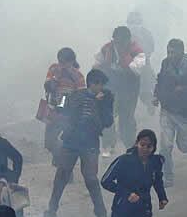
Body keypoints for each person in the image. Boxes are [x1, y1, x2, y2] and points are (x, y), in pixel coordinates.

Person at [44, 69, 113, 217]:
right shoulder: (76, 95)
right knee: (61, 175)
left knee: (90, 177)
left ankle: (100, 211)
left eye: (102, 84)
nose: (101, 87)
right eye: (99, 84)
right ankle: (51, 210)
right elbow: (61, 109)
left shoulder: (106, 98)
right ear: (92, 83)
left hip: (90, 142)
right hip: (71, 141)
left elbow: (108, 121)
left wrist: (100, 103)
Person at [153, 39, 187, 187]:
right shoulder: (165, 63)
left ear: (181, 52)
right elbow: (160, 80)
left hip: (185, 114)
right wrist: (156, 95)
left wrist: (184, 89)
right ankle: (168, 177)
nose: (170, 55)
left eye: (173, 52)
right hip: (167, 110)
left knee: (184, 146)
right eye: (168, 52)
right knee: (165, 145)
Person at [95, 26, 145, 156]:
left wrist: (124, 56)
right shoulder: (107, 48)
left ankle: (130, 146)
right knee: (107, 115)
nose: (118, 44)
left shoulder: (137, 51)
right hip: (110, 88)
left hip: (129, 90)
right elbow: (97, 63)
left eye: (122, 42)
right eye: (116, 42)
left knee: (126, 120)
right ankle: (108, 145)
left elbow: (136, 70)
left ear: (128, 41)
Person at [43, 47, 86, 165]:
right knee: (49, 142)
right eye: (60, 61)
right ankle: (59, 157)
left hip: (69, 114)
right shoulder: (53, 69)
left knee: (66, 141)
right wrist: (56, 77)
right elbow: (48, 86)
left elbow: (81, 95)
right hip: (53, 110)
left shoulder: (78, 75)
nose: (62, 65)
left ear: (71, 62)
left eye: (64, 62)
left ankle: (64, 166)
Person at [127, 11, 156, 115]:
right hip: (126, 67)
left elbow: (151, 48)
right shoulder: (124, 33)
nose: (134, 25)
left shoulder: (146, 34)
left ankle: (149, 103)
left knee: (145, 90)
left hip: (143, 66)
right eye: (131, 22)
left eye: (136, 22)